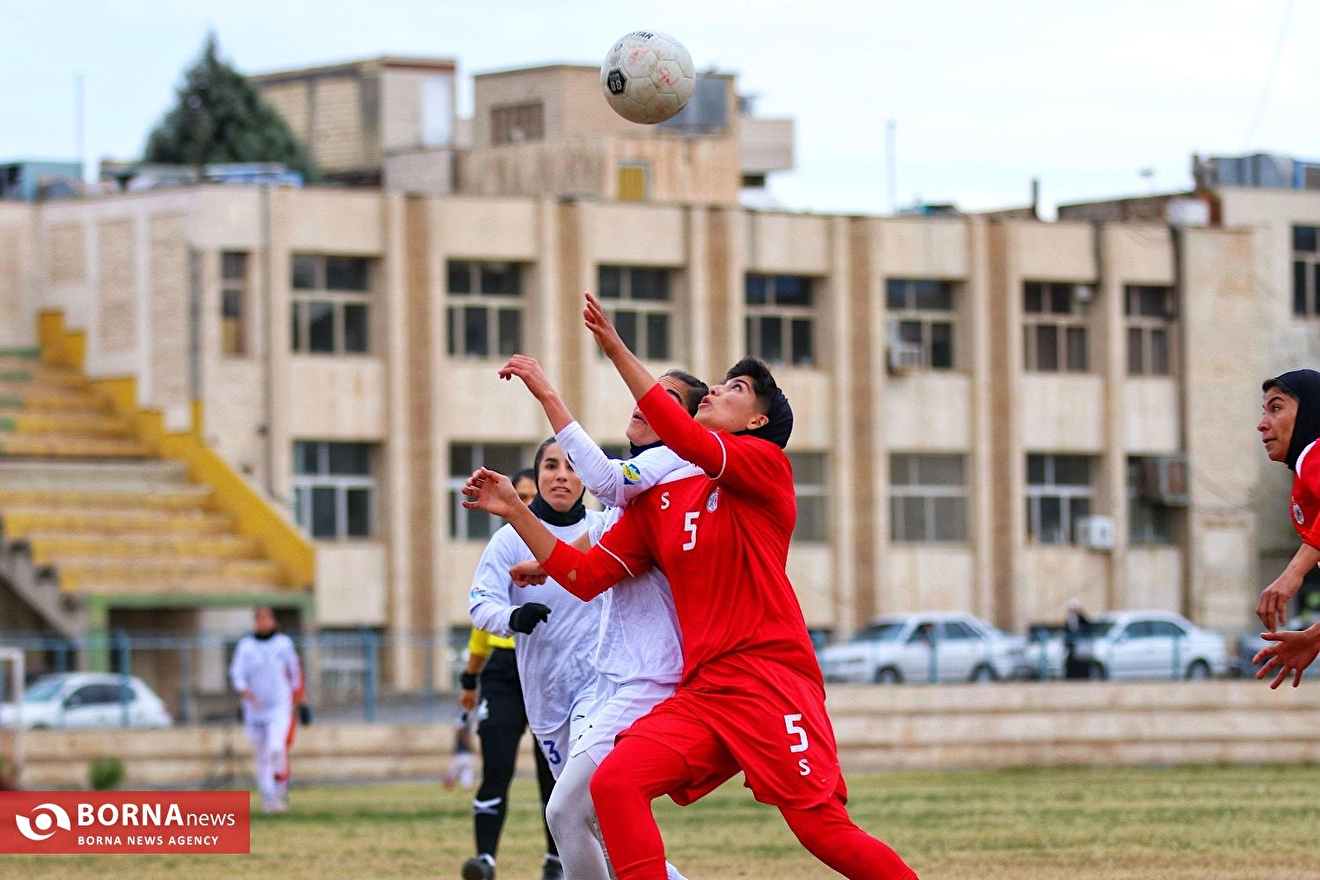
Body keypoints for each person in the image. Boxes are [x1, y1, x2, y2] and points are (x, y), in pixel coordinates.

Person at [461, 292, 919, 880]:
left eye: (735, 390)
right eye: (718, 385)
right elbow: (588, 576)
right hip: (705, 690)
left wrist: (612, 347)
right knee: (614, 784)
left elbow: (684, 442)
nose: (716, 393)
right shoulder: (663, 499)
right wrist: (516, 514)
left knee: (823, 831)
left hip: (769, 683)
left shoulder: (763, 465)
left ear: (756, 421)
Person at [498, 353, 704, 880]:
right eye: (649, 390)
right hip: (613, 679)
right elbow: (603, 536)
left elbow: (608, 482)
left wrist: (547, 393)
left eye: (668, 399)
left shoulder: (670, 468)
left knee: (569, 812)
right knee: (590, 819)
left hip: (648, 680)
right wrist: (539, 565)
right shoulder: (645, 482)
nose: (647, 400)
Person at [467, 440, 604, 880]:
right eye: (550, 466)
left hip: (603, 690)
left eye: (571, 466)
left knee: (597, 801)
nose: (561, 475)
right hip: (544, 696)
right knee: (572, 816)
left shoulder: (607, 528)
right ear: (538, 476)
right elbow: (479, 604)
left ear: (587, 478)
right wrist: (514, 616)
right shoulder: (509, 540)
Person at [459, 469, 561, 880]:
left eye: (526, 496)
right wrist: (470, 678)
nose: (519, 504)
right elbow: (482, 620)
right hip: (503, 669)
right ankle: (485, 859)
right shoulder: (501, 547)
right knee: (496, 767)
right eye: (515, 496)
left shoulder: (566, 540)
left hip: (549, 666)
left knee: (553, 774)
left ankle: (556, 860)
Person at [1253, 371, 1320, 688]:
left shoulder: (1314, 452)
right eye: (1264, 410)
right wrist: (1313, 637)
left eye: (1275, 408)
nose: (1262, 423)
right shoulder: (1303, 473)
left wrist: (1293, 572)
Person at [229, 606, 304, 814]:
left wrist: (298, 699)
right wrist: (245, 692)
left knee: (276, 748)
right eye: (259, 619)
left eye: (266, 619)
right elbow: (237, 674)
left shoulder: (283, 644)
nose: (263, 623)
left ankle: (281, 785)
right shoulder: (246, 646)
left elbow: (295, 672)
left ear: (273, 622)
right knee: (261, 756)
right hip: (255, 709)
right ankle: (269, 798)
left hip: (279, 706)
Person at [443, 709, 478, 790]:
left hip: (462, 750)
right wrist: (469, 744)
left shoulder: (465, 719)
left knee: (466, 767)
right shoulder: (462, 719)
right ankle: (450, 779)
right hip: (462, 750)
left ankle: (466, 785)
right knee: (463, 766)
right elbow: (461, 731)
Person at [1063, 598, 1092, 680]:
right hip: (1072, 644)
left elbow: (1087, 627)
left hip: (1081, 644)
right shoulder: (1069, 619)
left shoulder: (1082, 618)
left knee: (1082, 660)